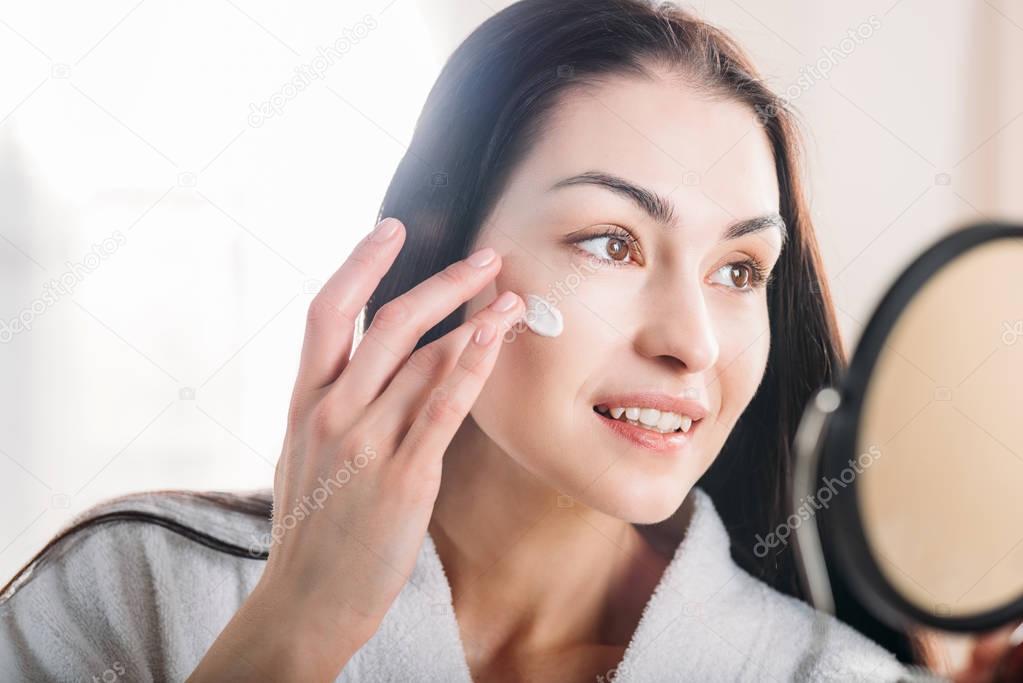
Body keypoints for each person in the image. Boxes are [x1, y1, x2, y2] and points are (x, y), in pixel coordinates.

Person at [0, 0, 986, 680]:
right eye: (610, 241)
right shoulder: (135, 593)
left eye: (740, 271)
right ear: (443, 251)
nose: (693, 342)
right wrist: (292, 630)